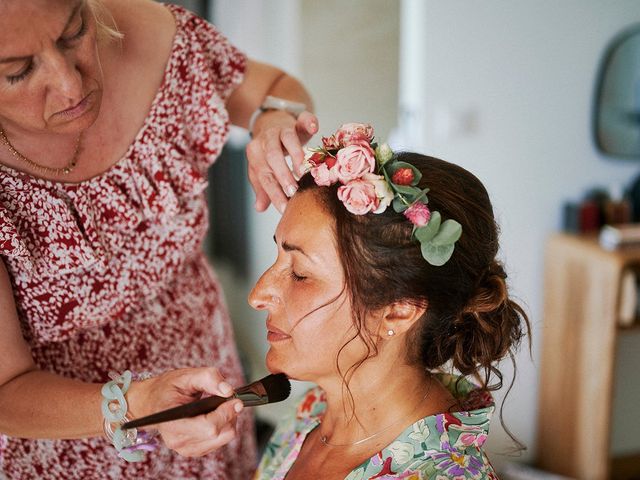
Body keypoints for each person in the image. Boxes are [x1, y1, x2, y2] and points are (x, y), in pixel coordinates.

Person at [0, 0, 317, 478]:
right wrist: (135, 404)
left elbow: (277, 90)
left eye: (72, 34)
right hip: (68, 445)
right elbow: (6, 390)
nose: (70, 83)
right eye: (18, 71)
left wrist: (272, 120)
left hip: (208, 374)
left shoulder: (153, 36)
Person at [249, 123, 531, 479]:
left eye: (300, 274)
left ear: (398, 310)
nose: (257, 295)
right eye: (278, 258)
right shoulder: (314, 410)